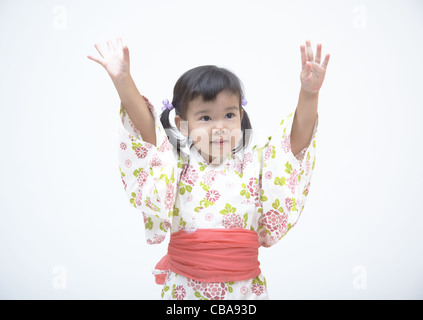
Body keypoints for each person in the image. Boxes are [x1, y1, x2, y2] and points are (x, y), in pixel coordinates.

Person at [87, 38, 330, 300]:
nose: (220, 127)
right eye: (205, 117)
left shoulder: (256, 165)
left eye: (229, 115)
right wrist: (123, 80)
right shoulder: (174, 165)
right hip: (185, 290)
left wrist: (309, 94)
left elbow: (294, 147)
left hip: (243, 292)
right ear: (182, 124)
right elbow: (146, 131)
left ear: (241, 116)